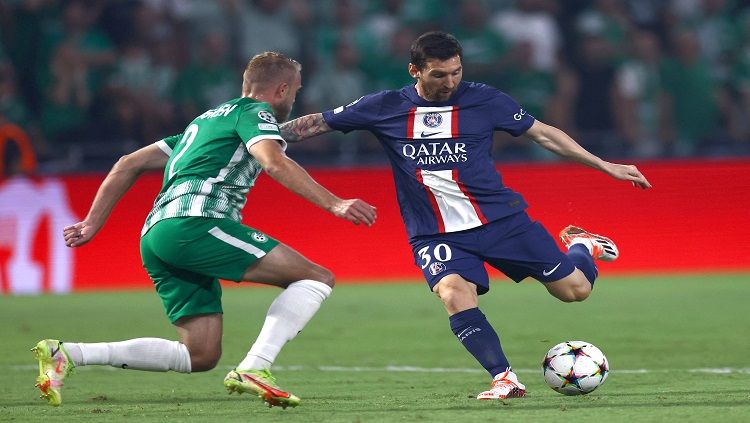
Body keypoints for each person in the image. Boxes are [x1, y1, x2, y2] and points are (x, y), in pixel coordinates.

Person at [279, 31, 651, 400]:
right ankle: (504, 378)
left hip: (500, 220)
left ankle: (584, 246)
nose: (450, 82)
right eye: (439, 75)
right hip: (435, 233)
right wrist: (257, 136)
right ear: (415, 70)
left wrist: (603, 165)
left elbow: (542, 134)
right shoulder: (385, 105)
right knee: (453, 292)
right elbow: (315, 124)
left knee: (575, 292)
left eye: (456, 72)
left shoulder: (484, 99)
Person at [31, 51, 377, 408]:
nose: (293, 100)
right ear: (283, 88)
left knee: (200, 354)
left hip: (156, 235)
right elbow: (274, 162)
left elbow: (128, 163)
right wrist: (334, 203)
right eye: (294, 92)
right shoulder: (254, 113)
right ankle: (255, 368)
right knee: (316, 278)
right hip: (195, 223)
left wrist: (92, 222)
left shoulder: (206, 122)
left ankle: (66, 353)